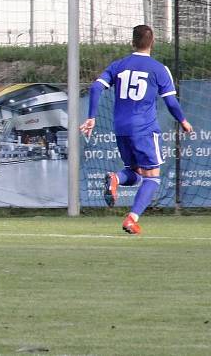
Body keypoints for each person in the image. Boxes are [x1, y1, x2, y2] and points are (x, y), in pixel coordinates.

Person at [80, 24, 192, 235]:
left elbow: (96, 87)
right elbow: (171, 103)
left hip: (121, 128)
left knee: (137, 173)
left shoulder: (118, 65)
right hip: (144, 129)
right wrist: (183, 121)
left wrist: (91, 118)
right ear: (153, 42)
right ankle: (131, 219)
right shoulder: (159, 68)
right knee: (152, 177)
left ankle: (116, 178)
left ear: (132, 42)